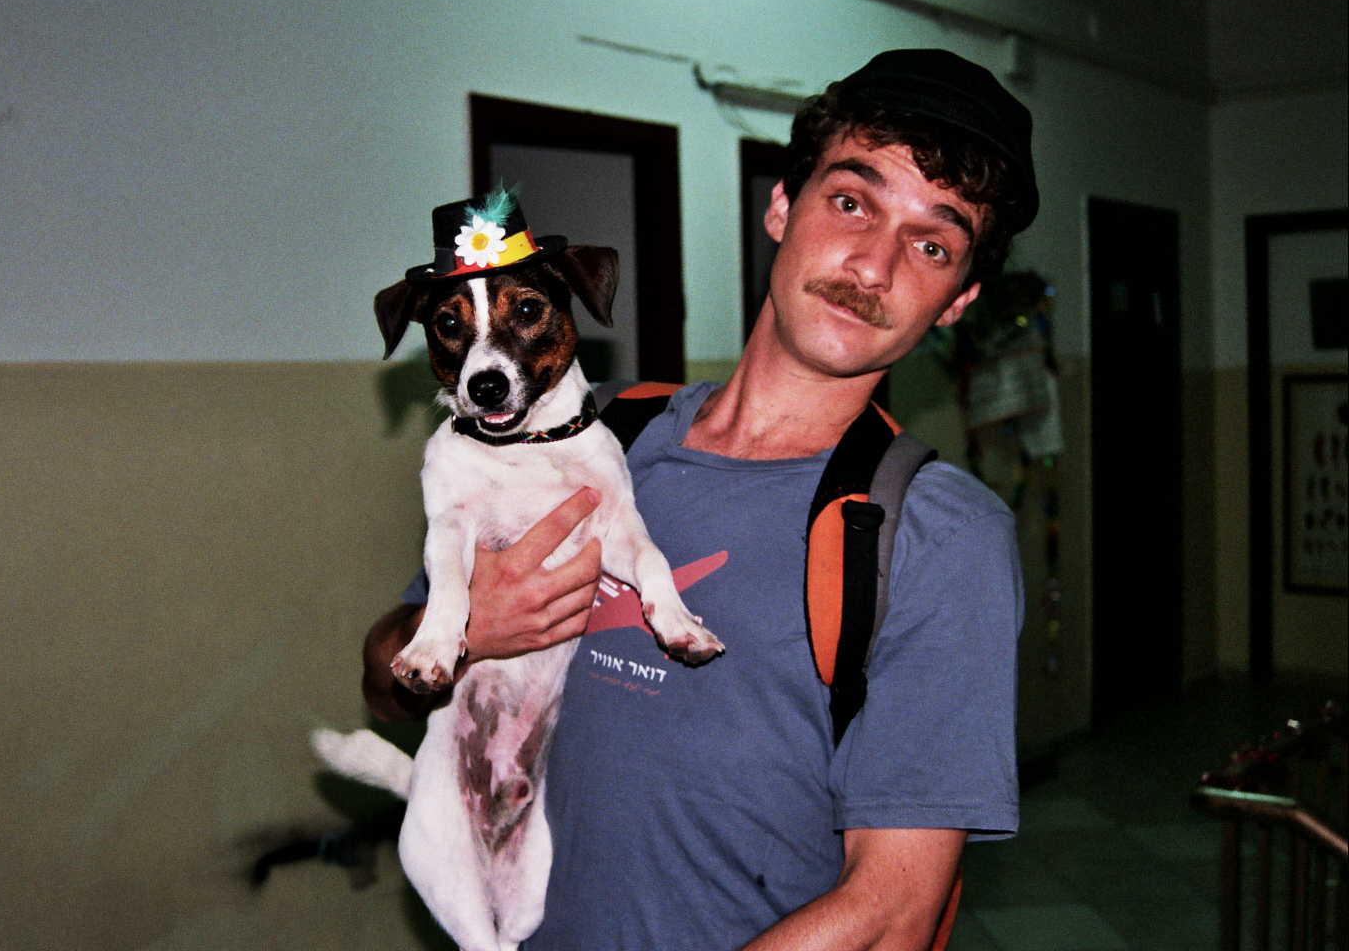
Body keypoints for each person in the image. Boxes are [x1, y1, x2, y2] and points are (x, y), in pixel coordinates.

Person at [362, 48, 1036, 950]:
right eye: (851, 202)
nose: (873, 266)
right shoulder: (598, 437)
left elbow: (891, 915)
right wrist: (466, 630)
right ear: (782, 206)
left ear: (957, 301)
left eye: (931, 245)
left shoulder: (937, 535)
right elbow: (385, 686)